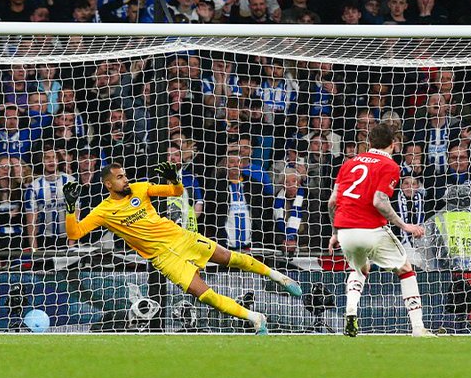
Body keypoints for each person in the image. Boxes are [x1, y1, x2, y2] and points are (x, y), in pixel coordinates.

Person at [63, 161, 302, 335]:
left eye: (125, 175)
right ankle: (255, 318)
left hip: (182, 238)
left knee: (231, 258)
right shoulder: (103, 211)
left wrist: (175, 181)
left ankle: (280, 278)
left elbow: (175, 192)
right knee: (206, 296)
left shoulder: (141, 188)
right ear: (108, 183)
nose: (125, 180)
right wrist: (71, 208)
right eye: (119, 177)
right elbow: (75, 233)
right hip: (165, 259)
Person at [328, 120, 427, 337]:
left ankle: (351, 309)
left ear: (368, 142)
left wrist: (335, 233)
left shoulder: (349, 163)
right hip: (371, 229)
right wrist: (404, 225)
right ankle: (418, 327)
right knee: (405, 269)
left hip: (345, 230)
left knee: (360, 269)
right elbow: (379, 201)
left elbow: (332, 202)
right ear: (393, 144)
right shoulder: (390, 165)